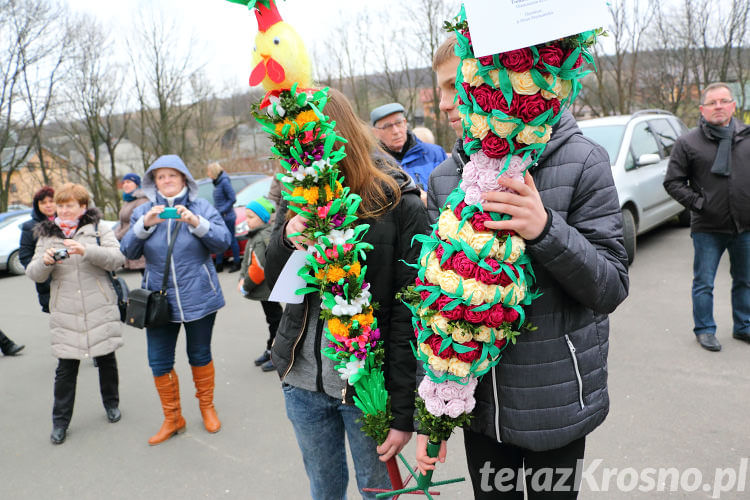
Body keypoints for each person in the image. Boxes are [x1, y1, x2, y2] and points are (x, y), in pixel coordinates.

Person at [416, 36, 630, 499]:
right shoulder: (446, 178)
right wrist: (431, 408)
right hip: (483, 411)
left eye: (458, 86)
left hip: (555, 403)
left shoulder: (583, 161)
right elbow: (435, 301)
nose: (448, 104)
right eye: (441, 91)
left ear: (495, 78)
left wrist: (546, 230)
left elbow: (610, 286)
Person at [265, 88, 431, 500]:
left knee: (379, 493)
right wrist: (285, 237)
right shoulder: (302, 193)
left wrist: (404, 412)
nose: (299, 155)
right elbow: (270, 280)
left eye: (306, 141)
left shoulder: (397, 201)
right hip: (302, 380)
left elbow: (410, 314)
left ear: (334, 134)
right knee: (324, 489)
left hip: (367, 390)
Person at [120, 154, 231, 445]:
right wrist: (145, 224)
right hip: (158, 299)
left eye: (172, 175)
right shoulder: (143, 210)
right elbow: (128, 253)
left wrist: (196, 222)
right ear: (153, 182)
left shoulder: (202, 206)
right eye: (160, 176)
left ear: (184, 178)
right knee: (159, 361)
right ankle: (173, 418)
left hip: (200, 296)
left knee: (200, 354)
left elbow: (222, 243)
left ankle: (207, 407)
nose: (166, 181)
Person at [25, 183, 126, 445]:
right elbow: (33, 274)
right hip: (66, 309)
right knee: (66, 368)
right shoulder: (47, 235)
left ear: (82, 206)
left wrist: (86, 250)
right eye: (60, 205)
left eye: (70, 205)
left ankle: (111, 404)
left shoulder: (98, 229)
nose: (64, 210)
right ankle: (60, 422)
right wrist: (45, 262)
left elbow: (118, 259)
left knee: (106, 359)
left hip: (98, 304)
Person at [664, 82, 750, 352]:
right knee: (704, 282)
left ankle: (743, 325)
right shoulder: (688, 142)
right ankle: (704, 329)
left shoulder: (747, 137)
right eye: (712, 103)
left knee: (745, 280)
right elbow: (673, 182)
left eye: (724, 101)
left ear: (734, 105)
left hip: (745, 226)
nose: (719, 107)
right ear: (702, 109)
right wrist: (700, 204)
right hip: (708, 228)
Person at [237, 196, 282, 372]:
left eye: (251, 217)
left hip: (267, 289)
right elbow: (247, 261)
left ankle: (276, 353)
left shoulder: (263, 236)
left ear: (263, 218)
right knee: (273, 319)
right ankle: (271, 349)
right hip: (265, 291)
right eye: (246, 216)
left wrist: (245, 285)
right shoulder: (256, 235)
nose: (247, 221)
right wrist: (241, 277)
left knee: (275, 320)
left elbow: (259, 267)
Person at [370, 102, 447, 196]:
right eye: (387, 126)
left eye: (398, 123)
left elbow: (449, 192)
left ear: (405, 123)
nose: (396, 131)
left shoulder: (435, 154)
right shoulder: (372, 165)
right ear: (375, 132)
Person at [19, 186, 56, 313]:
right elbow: (25, 256)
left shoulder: (68, 221)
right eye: (43, 203)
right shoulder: (29, 227)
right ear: (37, 205)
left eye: (51, 201)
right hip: (47, 282)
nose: (48, 205)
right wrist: (41, 269)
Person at [207, 162, 241, 273]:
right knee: (219, 239)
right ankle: (219, 264)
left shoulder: (224, 182)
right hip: (220, 216)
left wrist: (222, 210)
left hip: (228, 216)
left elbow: (232, 198)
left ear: (213, 172)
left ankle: (237, 263)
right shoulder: (217, 182)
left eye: (209, 172)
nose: (208, 174)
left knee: (231, 239)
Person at [114, 173, 149, 272]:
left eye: (129, 182)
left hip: (140, 243)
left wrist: (119, 235)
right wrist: (115, 233)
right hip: (129, 240)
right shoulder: (128, 201)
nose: (125, 185)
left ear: (137, 184)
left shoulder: (142, 201)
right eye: (124, 182)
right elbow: (122, 222)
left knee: (146, 275)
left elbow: (136, 222)